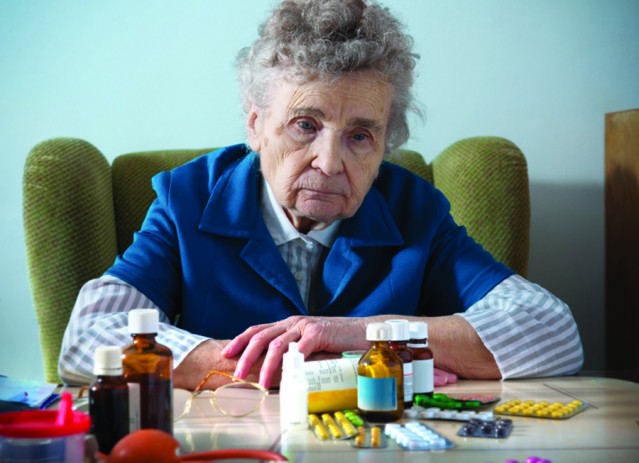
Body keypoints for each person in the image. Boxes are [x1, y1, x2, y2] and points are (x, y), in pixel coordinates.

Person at [59, 0, 583, 391]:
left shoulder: (415, 210)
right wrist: (304, 367)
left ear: (384, 145)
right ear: (256, 124)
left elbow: (552, 331)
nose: (330, 163)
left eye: (359, 135)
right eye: (305, 125)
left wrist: (357, 336)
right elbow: (86, 338)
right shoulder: (187, 198)